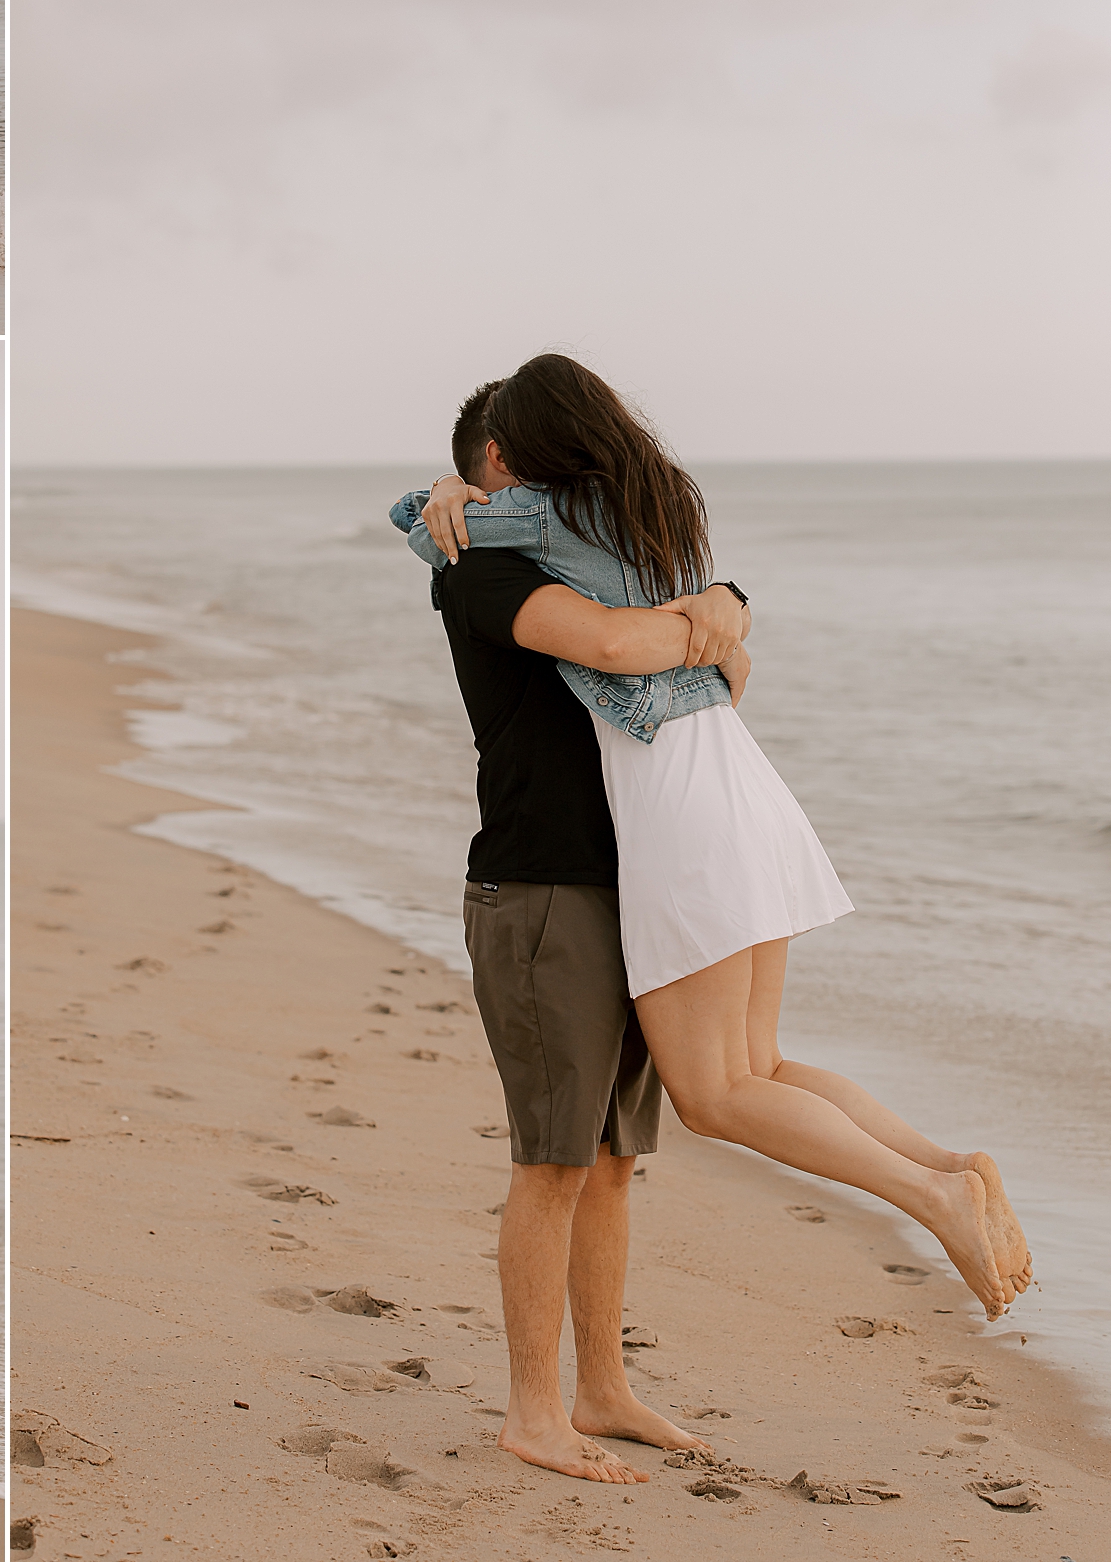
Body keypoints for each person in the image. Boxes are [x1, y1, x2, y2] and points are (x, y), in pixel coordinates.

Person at [397, 357, 1032, 1345]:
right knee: (759, 1066)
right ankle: (951, 1168)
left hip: (682, 816)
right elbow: (730, 669)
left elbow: (605, 644)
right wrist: (716, 608)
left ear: (501, 460)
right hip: (744, 791)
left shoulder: (526, 523)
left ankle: (931, 1198)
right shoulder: (653, 521)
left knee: (717, 1094)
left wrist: (435, 502)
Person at [378, 380, 756, 1484]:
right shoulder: (479, 567)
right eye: (545, 469)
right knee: (550, 1161)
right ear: (498, 464)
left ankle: (601, 1388)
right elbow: (626, 648)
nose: (569, 487)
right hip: (539, 892)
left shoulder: (601, 559)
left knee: (610, 1159)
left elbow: (724, 677)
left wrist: (720, 605)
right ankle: (530, 1413)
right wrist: (718, 604)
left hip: (631, 881)